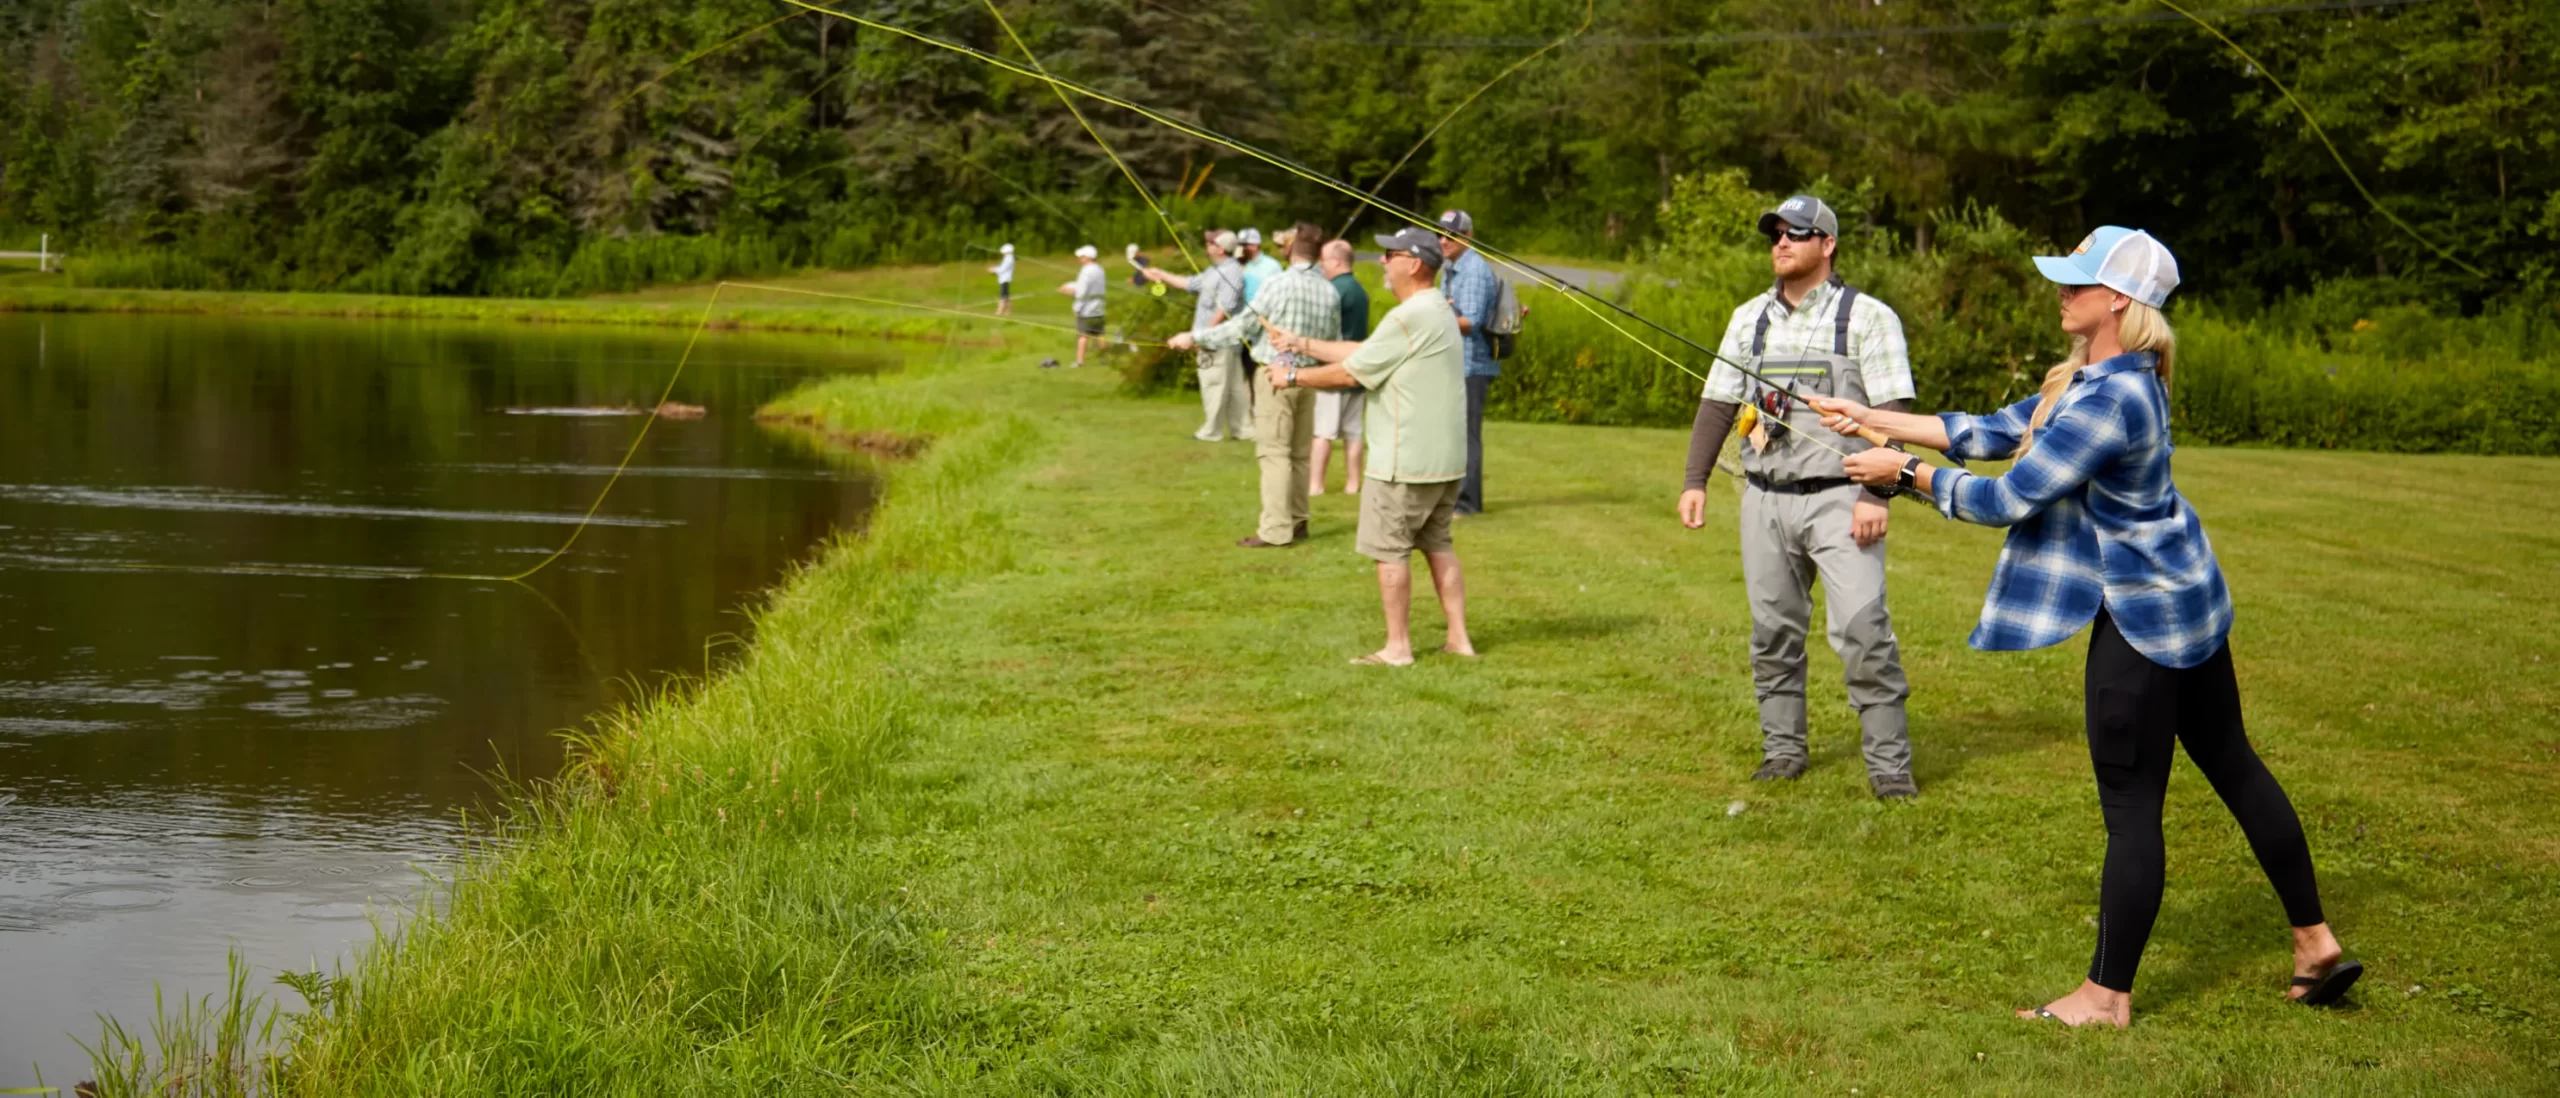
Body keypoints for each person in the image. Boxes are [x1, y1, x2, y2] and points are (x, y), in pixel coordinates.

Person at [1812, 226, 2360, 1027]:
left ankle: (2105, 997)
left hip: (2141, 619)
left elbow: (2006, 497)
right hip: (2189, 605)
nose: (2062, 291)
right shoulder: (2102, 379)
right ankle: (2316, 946)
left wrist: (1903, 475)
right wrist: (1872, 416)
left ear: (2119, 301)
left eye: (2078, 281)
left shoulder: (2112, 399)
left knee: (2133, 804)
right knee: (2234, 765)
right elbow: (1995, 430)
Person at [1677, 194, 1921, 800]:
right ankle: (1783, 751)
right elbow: (1717, 403)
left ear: (1828, 245)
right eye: (1775, 235)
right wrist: (1695, 480)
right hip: (1763, 499)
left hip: (1843, 499)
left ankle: (1889, 767)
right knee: (1772, 633)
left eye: (1797, 233)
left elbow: (1893, 413)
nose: (1781, 244)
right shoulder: (1747, 317)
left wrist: (1878, 496)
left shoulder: (1867, 317)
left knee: (1865, 633)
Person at [1265, 224, 1473, 665]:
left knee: (1390, 550)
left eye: (1391, 254)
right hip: (1446, 461)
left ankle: (1398, 648)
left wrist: (1292, 375)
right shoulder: (1435, 309)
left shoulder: (1409, 316)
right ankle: (1459, 639)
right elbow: (1367, 351)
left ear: (1414, 263)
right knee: (1439, 544)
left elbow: (1352, 373)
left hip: (1405, 461)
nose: (1381, 260)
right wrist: (1300, 344)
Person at [1168, 221, 1340, 547]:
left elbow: (1242, 327)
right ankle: (1299, 521)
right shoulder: (1329, 290)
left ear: (1289, 249)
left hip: (1275, 377)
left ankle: (1276, 531)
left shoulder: (1278, 284)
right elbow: (1332, 341)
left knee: (1274, 454)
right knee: (1300, 455)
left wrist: (1194, 337)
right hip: (1309, 379)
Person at [1143, 230, 1251, 441]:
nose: (1206, 244)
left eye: (1210, 242)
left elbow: (1224, 308)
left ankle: (1212, 432)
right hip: (1216, 339)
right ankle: (1244, 430)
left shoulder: (1231, 272)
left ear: (1220, 248)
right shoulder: (1216, 270)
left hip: (1218, 341)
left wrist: (1201, 336)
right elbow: (1190, 284)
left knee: (1214, 384)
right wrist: (1160, 274)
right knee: (1233, 387)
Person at [1434, 210, 1497, 515]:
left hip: (1473, 364)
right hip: (1455, 362)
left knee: (1467, 434)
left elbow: (1471, 321)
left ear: (1468, 237)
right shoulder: (1450, 266)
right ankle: (1452, 497)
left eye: (1452, 235)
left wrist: (1438, 312)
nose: (1444, 240)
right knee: (1453, 432)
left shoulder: (1473, 270)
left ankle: (1468, 503)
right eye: (1441, 234)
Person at [1308, 239, 1371, 496]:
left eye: (1323, 261)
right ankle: (1353, 485)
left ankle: (1315, 486)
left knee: (1323, 431)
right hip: (1358, 368)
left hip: (1333, 368)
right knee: (1353, 431)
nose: (1321, 266)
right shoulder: (1360, 290)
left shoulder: (1333, 290)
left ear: (1336, 261)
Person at [1059, 244, 1106, 368]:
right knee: (1099, 334)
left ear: (1088, 257)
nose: (1080, 258)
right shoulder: (1099, 269)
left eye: (1082, 256)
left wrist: (1077, 307)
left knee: (1082, 335)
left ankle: (1079, 362)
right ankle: (1106, 359)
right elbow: (1084, 286)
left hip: (1087, 309)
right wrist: (1070, 287)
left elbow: (1082, 291)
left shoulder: (1086, 271)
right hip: (1099, 308)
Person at [1236, 227, 1281, 305]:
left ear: (1255, 245)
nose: (1242, 248)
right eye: (1240, 245)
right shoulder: (1236, 265)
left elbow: (1278, 294)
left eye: (1245, 245)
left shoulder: (1272, 265)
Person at [989, 243, 1016, 316]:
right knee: (1006, 296)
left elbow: (1003, 269)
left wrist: (993, 269)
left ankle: (999, 312)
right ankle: (1008, 313)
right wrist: (995, 270)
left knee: (1003, 296)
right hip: (1003, 279)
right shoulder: (1008, 258)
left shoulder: (1009, 259)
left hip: (1005, 279)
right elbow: (1002, 268)